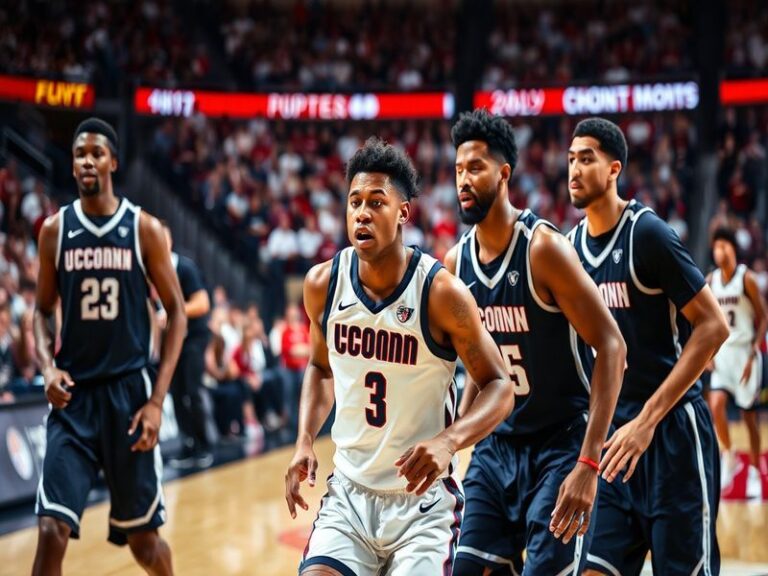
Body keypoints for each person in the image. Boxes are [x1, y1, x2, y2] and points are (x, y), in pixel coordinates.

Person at [285, 137, 514, 576]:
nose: (362, 213)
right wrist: (304, 440)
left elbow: (500, 386)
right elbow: (319, 367)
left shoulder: (440, 292)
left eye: (376, 201)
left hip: (421, 506)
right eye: (354, 202)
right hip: (349, 495)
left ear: (403, 213)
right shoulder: (323, 284)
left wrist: (449, 442)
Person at [447, 109, 626, 575]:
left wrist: (589, 462)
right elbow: (476, 368)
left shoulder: (542, 249)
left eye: (475, 168)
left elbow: (612, 346)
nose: (463, 179)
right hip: (495, 448)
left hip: (559, 443)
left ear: (504, 174)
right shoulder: (455, 264)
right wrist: (451, 439)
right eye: (459, 169)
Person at [566, 117, 729, 576]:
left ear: (614, 168)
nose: (574, 169)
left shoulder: (649, 234)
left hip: (672, 434)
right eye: (570, 159)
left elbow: (713, 327)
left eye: (587, 158)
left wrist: (646, 421)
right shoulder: (569, 249)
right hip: (614, 443)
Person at [31, 118, 187, 576]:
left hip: (128, 398)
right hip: (73, 399)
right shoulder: (54, 231)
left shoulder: (143, 228)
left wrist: (157, 402)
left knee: (143, 542)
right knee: (50, 530)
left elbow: (176, 312)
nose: (87, 161)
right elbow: (40, 311)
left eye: (96, 153)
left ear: (113, 162)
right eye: (80, 154)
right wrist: (46, 367)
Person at [708, 227, 766, 500]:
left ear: (733, 247)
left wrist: (755, 349)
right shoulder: (711, 280)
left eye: (724, 245)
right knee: (716, 405)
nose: (720, 251)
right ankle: (728, 455)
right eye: (716, 247)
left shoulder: (747, 279)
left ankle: (755, 469)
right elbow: (705, 321)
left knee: (748, 418)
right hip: (722, 356)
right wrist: (707, 354)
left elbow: (763, 317)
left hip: (745, 355)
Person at [162, 222, 214, 470]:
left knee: (192, 391)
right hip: (170, 339)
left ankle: (205, 445)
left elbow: (203, 303)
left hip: (193, 336)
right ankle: (188, 444)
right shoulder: (149, 271)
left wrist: (174, 312)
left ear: (169, 239)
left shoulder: (183, 267)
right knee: (176, 392)